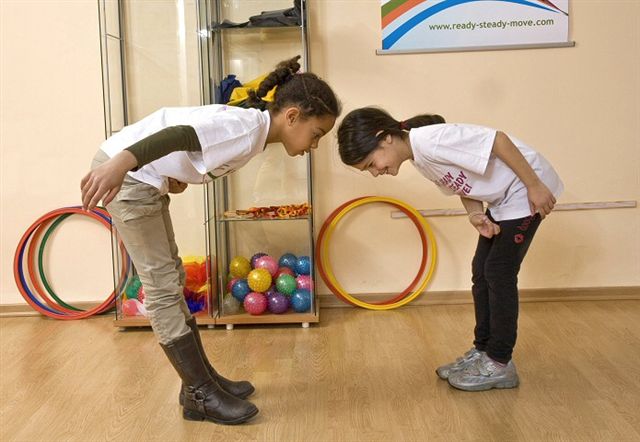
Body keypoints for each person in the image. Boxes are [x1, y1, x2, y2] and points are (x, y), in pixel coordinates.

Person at [81, 56, 341, 423]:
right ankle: (200, 392)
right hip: (126, 175)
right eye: (316, 134)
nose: (314, 145)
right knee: (162, 287)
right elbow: (178, 134)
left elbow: (193, 146)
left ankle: (200, 382)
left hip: (142, 176)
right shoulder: (245, 131)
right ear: (293, 116)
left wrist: (173, 174)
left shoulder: (252, 129)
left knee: (172, 278)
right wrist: (120, 164)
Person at [337, 107, 563, 392]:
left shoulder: (431, 141)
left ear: (384, 137)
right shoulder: (421, 159)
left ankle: (499, 361)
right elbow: (464, 184)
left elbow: (498, 140)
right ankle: (483, 350)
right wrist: (475, 214)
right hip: (504, 197)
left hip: (525, 188)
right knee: (481, 270)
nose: (375, 172)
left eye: (371, 163)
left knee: (499, 271)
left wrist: (534, 185)